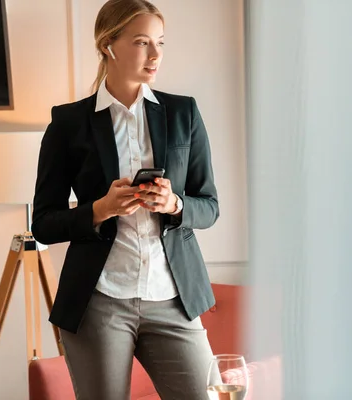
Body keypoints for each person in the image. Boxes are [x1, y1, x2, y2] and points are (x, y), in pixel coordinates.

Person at [31, 1, 219, 399]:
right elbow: (44, 222)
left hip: (173, 298)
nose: (155, 55)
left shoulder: (184, 113)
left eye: (160, 43)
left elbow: (209, 206)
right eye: (141, 42)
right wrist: (101, 209)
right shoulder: (68, 123)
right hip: (99, 301)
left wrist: (174, 204)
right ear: (108, 45)